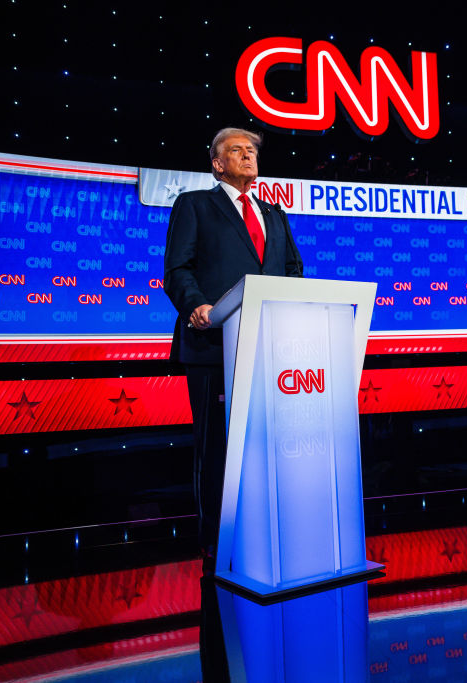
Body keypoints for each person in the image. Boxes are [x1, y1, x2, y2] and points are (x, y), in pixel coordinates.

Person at [164, 127, 303, 570]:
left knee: (267, 445)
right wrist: (198, 305)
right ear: (217, 163)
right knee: (216, 448)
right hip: (213, 344)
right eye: (237, 151)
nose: (248, 156)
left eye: (253, 151)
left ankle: (269, 530)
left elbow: (293, 270)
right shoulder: (195, 205)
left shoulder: (273, 213)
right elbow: (177, 268)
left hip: (269, 348)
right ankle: (214, 540)